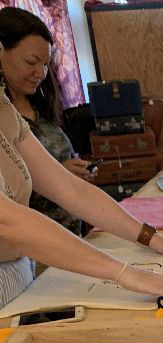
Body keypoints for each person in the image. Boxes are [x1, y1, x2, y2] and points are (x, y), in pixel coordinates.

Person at [0, 47, 163, 310]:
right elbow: (8, 221)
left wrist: (155, 240)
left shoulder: (4, 109)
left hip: (21, 277)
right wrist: (125, 273)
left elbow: (72, 190)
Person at [0, 7, 93, 236]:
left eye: (45, 64)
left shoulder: (41, 107)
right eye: (31, 62)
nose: (41, 73)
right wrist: (59, 177)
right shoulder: (6, 120)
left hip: (72, 236)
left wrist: (76, 172)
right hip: (34, 245)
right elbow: (12, 196)